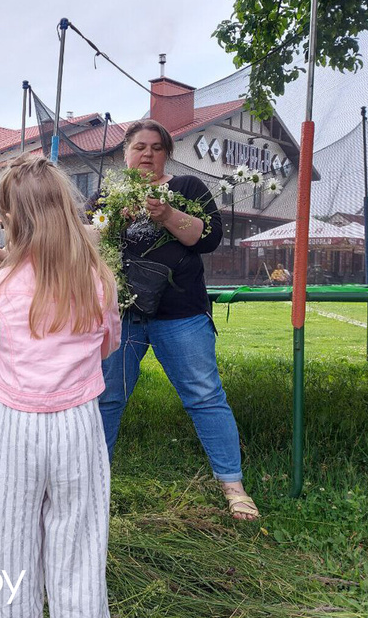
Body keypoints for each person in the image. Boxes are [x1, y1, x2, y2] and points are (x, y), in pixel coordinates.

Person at [0, 154, 120, 618]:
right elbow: (108, 344)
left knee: (10, 528)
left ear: (12, 219)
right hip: (78, 422)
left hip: (16, 424)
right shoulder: (95, 280)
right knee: (80, 530)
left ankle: (10, 616)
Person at [93, 119, 260, 521]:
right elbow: (84, 241)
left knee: (204, 396)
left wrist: (167, 214)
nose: (147, 153)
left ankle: (233, 487)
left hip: (181, 313)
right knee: (107, 398)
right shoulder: (106, 197)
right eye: (139, 147)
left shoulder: (186, 188)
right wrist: (114, 219)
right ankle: (91, 482)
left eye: (156, 146)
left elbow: (208, 238)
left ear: (166, 153)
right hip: (124, 314)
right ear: (125, 154)